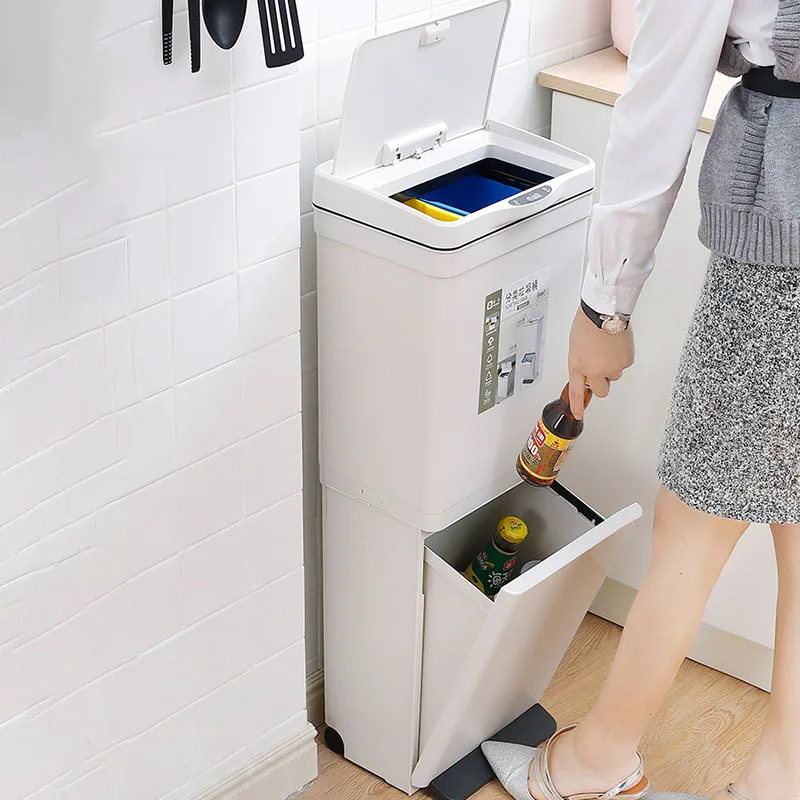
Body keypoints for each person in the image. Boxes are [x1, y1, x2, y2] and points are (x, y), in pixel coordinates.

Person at [481, 1, 800, 800]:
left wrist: (604, 309)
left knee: (694, 521)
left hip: (785, 235)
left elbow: (659, 104)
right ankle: (782, 775)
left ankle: (594, 764)